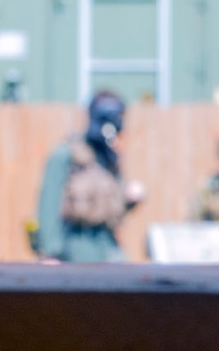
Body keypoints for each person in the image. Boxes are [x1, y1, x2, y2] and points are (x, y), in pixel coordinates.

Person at [32, 91, 144, 263]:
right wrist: (50, 252)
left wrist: (130, 198)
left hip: (107, 244)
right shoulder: (67, 154)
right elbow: (49, 204)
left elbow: (111, 205)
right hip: (75, 244)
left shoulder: (108, 158)